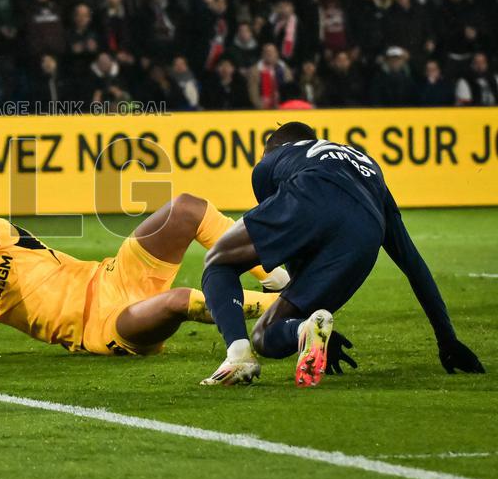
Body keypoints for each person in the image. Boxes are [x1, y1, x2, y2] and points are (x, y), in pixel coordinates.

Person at [198, 122, 485, 387]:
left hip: (310, 193)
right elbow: (412, 262)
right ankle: (304, 331)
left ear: (274, 146)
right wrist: (447, 339)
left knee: (219, 263)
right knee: (267, 334)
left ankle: (238, 356)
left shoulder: (271, 160)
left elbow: (288, 237)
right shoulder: (369, 168)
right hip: (366, 231)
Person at [0, 198, 289, 357]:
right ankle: (286, 311)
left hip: (113, 274)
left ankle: (273, 276)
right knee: (178, 300)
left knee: (186, 207)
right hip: (105, 327)